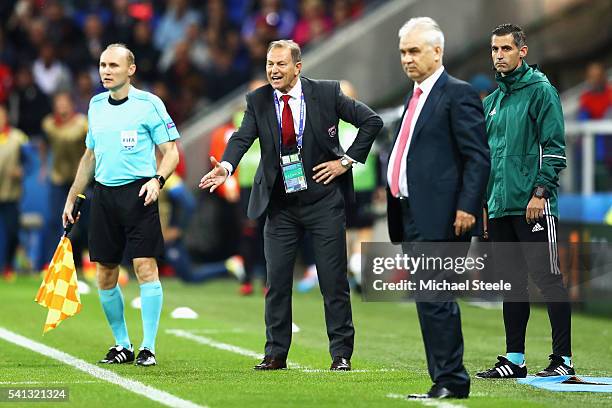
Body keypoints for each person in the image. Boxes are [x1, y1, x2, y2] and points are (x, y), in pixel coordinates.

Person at [200, 39, 382, 371]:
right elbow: (242, 137)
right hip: (280, 206)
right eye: (270, 64)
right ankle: (275, 353)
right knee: (277, 282)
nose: (274, 70)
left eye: (281, 64)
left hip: (323, 201)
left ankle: (341, 353)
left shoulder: (327, 93)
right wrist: (226, 167)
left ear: (298, 67)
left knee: (333, 282)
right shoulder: (257, 100)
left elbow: (371, 121)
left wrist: (346, 162)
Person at [386, 18, 490, 399]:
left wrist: (467, 207)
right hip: (411, 213)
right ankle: (442, 378)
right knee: (428, 300)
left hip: (444, 215)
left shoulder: (456, 94)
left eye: (414, 51)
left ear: (437, 52)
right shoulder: (413, 97)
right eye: (403, 52)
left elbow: (477, 157)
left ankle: (452, 380)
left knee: (437, 297)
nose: (407, 59)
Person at [63, 43, 180, 367]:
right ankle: (122, 344)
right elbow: (90, 155)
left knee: (145, 268)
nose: (105, 71)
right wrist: (73, 195)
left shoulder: (149, 104)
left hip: (139, 194)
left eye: (113, 65)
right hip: (104, 196)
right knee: (105, 274)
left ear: (131, 70)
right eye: (102, 65)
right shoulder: (96, 104)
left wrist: (157, 181)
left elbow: (171, 152)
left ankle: (148, 347)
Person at [476, 24, 573, 379]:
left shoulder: (541, 91)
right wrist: (486, 205)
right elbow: (485, 159)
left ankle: (563, 358)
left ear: (522, 51)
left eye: (505, 48)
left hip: (533, 204)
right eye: (494, 49)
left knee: (548, 279)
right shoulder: (492, 102)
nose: (499, 55)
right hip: (500, 206)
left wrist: (540, 192)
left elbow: (554, 147)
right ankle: (514, 359)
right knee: (511, 283)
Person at [41, 92, 88, 272]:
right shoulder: (49, 125)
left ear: (71, 104)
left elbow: (90, 148)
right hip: (58, 179)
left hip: (80, 181)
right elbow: (44, 145)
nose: (61, 106)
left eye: (64, 102)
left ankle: (82, 262)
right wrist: (44, 166)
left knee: (82, 223)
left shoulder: (82, 124)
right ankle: (56, 263)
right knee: (55, 221)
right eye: (58, 103)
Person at [0, 104, 28, 280]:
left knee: (11, 231)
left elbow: (30, 162)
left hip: (10, 193)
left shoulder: (18, 137)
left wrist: (22, 170)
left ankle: (8, 265)